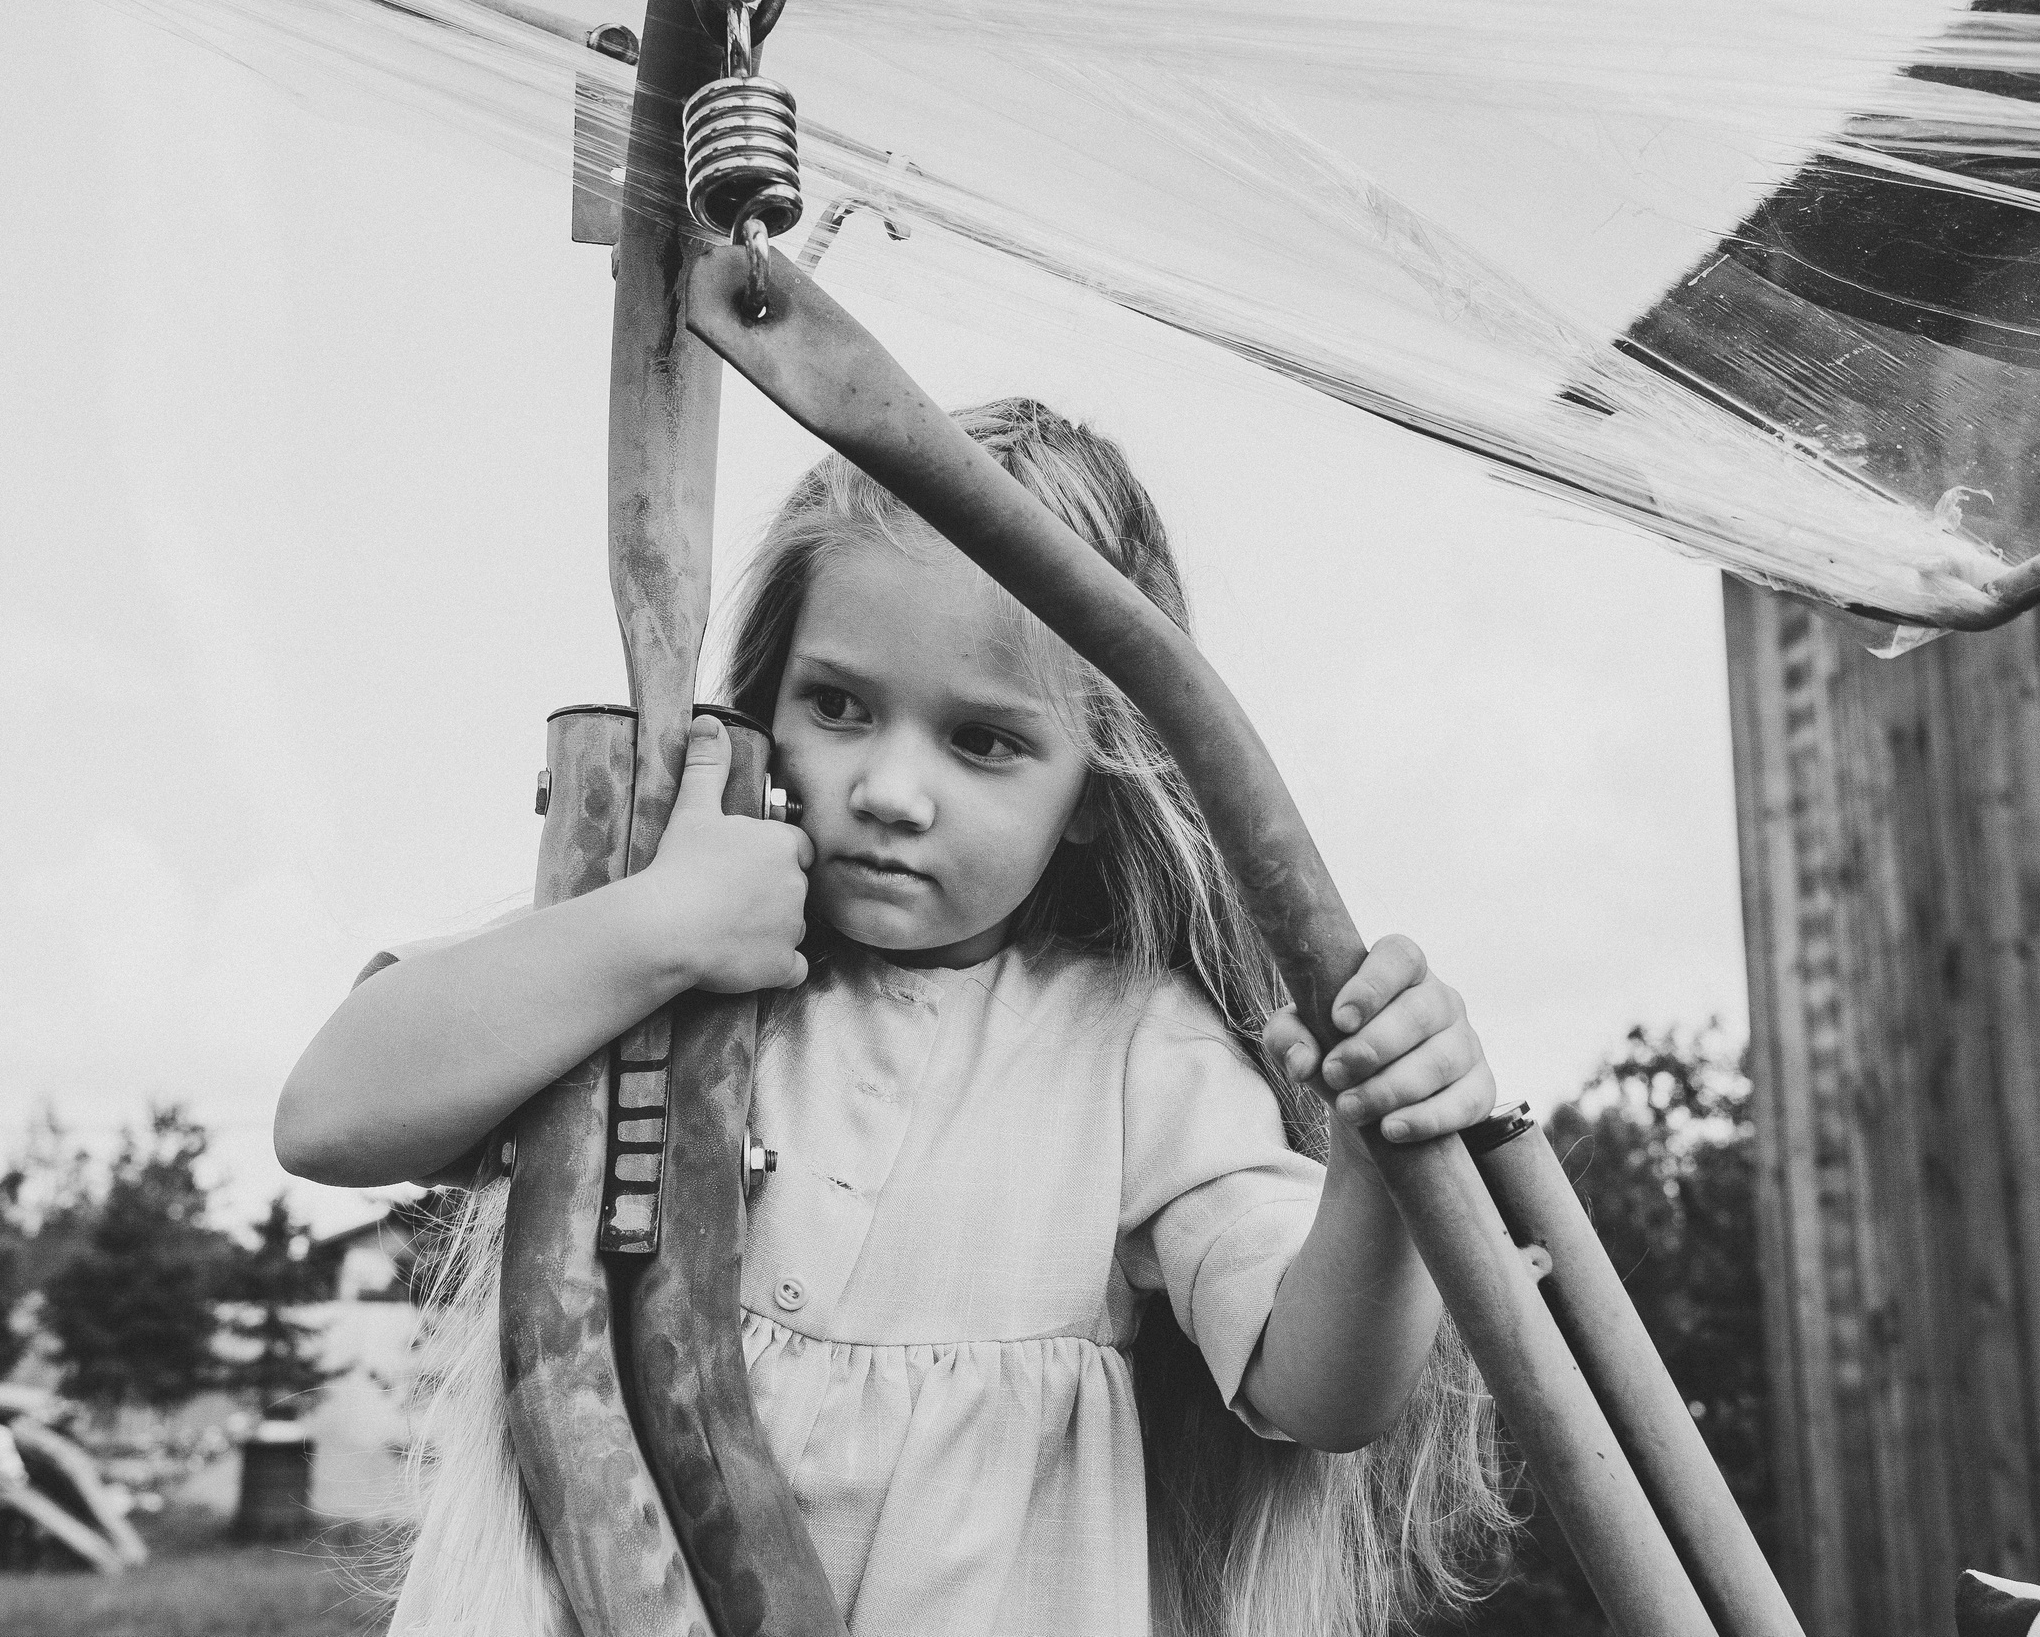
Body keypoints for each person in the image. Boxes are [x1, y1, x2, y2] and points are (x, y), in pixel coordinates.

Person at [277, 398, 1513, 1637]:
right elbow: (330, 1118)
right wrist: (653, 930)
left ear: (1095, 786)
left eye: (982, 741)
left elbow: (1318, 1392)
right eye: (840, 706)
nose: (888, 790)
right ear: (767, 701)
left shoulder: (1136, 1051)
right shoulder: (647, 951)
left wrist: (1374, 1163)